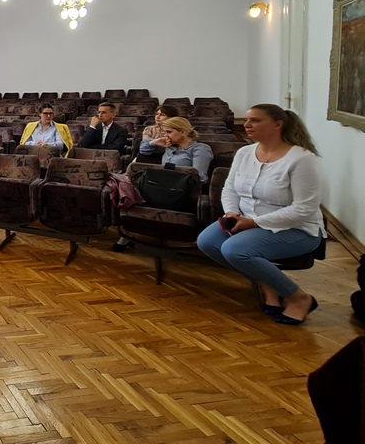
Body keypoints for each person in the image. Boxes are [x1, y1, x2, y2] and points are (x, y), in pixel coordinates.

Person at [196, 104, 324, 325]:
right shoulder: (245, 153)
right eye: (247, 120)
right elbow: (230, 189)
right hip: (245, 220)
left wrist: (254, 222)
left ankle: (299, 298)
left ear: (277, 125)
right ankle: (269, 285)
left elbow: (304, 209)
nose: (247, 124)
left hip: (296, 229)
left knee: (235, 250)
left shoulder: (301, 159)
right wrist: (232, 213)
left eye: (255, 120)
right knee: (207, 242)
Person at [112, 116, 212, 252]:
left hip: (181, 190)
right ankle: (130, 231)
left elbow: (200, 177)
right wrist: (154, 142)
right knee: (132, 191)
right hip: (160, 186)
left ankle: (135, 233)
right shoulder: (168, 146)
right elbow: (143, 150)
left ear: (183, 132)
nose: (165, 135)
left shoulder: (200, 148)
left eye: (169, 132)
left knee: (146, 196)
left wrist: (173, 175)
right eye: (164, 132)